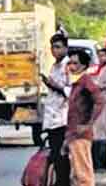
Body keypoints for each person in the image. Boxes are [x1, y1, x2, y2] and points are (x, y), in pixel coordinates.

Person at [64, 48, 106, 186]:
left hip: (80, 134)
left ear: (83, 65)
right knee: (77, 173)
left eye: (75, 63)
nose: (71, 66)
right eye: (69, 63)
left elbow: (100, 100)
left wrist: (88, 124)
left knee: (83, 175)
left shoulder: (85, 81)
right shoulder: (76, 82)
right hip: (73, 133)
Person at [40, 34, 72, 186]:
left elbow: (71, 91)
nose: (55, 50)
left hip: (63, 118)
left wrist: (54, 86)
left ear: (66, 48)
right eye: (53, 47)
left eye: (58, 47)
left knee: (61, 156)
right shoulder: (55, 66)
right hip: (52, 118)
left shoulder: (69, 66)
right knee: (55, 155)